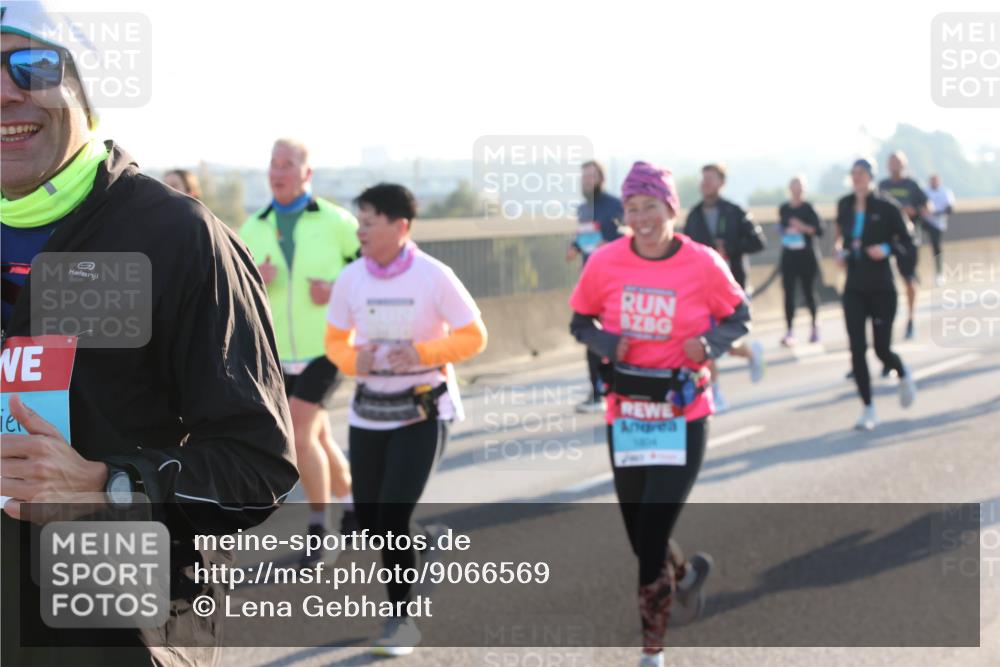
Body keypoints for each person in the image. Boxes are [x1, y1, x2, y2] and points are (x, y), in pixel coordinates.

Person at [0, 5, 297, 665]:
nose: (4, 89)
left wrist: (108, 484)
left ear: (87, 88)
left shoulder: (175, 236)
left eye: (32, 65)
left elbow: (257, 467)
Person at [570, 162, 751, 666]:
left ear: (671, 207)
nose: (642, 217)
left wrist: (708, 343)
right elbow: (579, 321)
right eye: (632, 208)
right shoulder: (605, 262)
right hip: (626, 413)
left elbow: (739, 315)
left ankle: (652, 650)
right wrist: (609, 341)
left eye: (651, 206)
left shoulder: (703, 263)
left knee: (650, 537)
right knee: (638, 534)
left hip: (683, 413)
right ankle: (687, 574)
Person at [325, 183, 487, 657]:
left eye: (368, 222)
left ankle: (401, 620)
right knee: (373, 519)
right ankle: (428, 544)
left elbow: (474, 335)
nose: (360, 231)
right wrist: (360, 361)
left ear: (400, 226)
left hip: (423, 407)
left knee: (393, 515)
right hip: (369, 410)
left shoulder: (434, 276)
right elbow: (335, 342)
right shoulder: (351, 277)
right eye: (359, 222)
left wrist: (421, 352)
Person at [240, 138, 361, 567]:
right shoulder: (252, 227)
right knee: (319, 437)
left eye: (287, 164)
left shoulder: (338, 222)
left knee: (299, 429)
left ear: (307, 173)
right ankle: (352, 509)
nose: (278, 172)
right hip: (278, 352)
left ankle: (319, 529)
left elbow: (373, 271)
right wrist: (255, 275)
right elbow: (237, 288)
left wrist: (339, 287)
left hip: (330, 345)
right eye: (273, 164)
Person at [835, 159, 918, 431]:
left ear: (871, 177)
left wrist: (887, 248)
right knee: (857, 349)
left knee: (882, 349)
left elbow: (907, 239)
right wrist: (841, 252)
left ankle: (903, 374)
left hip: (882, 287)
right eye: (853, 173)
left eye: (861, 173)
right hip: (854, 287)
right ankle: (868, 409)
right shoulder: (845, 205)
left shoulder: (886, 206)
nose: (856, 178)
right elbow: (843, 238)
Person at [684, 163, 766, 410]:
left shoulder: (735, 211)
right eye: (703, 179)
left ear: (721, 182)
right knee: (706, 340)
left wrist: (730, 249)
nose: (705, 183)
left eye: (710, 179)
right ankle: (714, 392)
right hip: (703, 289)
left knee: (726, 344)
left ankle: (751, 353)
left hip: (732, 288)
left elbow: (758, 242)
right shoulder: (694, 215)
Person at [566, 159, 623, 413]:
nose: (587, 181)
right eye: (584, 177)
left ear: (601, 179)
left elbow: (629, 235)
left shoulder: (616, 206)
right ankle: (597, 391)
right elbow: (584, 236)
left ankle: (611, 388)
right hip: (590, 281)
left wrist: (608, 246)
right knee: (589, 334)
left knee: (612, 334)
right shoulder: (582, 209)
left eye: (591, 176)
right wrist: (574, 247)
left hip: (615, 280)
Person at [879, 151, 928, 340]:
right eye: (891, 162)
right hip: (886, 239)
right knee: (884, 282)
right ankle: (885, 321)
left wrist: (913, 210)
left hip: (907, 240)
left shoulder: (912, 185)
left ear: (904, 165)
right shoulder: (883, 186)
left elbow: (927, 206)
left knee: (908, 280)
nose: (894, 165)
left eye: (898, 162)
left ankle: (910, 318)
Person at [777, 176, 823, 346]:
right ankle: (789, 330)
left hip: (807, 256)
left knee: (809, 292)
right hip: (789, 255)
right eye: (793, 187)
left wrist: (802, 227)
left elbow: (820, 230)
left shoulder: (809, 208)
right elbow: (781, 227)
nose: (796, 190)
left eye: (799, 187)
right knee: (788, 294)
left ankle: (814, 326)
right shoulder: (783, 208)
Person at [924, 173, 955, 286]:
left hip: (938, 224)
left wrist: (936, 213)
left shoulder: (945, 192)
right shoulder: (925, 191)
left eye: (935, 180)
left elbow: (950, 208)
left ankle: (939, 273)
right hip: (925, 222)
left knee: (936, 246)